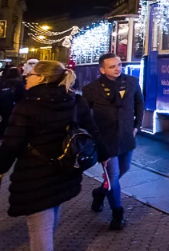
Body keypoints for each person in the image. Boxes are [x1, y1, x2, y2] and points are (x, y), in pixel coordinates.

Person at [0, 61, 107, 251]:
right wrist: (103, 155)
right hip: (65, 169)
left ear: (41, 78)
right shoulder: (75, 101)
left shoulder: (26, 106)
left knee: (40, 227)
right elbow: (93, 130)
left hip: (35, 176)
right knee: (52, 211)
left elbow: (10, 145)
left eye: (30, 74)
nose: (26, 77)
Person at [82, 53, 143, 230]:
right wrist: (93, 136)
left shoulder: (131, 82)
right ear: (102, 69)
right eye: (112, 66)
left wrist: (137, 125)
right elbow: (85, 115)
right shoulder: (91, 89)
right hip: (105, 140)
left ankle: (100, 193)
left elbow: (139, 103)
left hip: (126, 137)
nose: (117, 68)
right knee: (113, 176)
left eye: (119, 65)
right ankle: (118, 214)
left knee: (124, 169)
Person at [0, 68, 26, 137]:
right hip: (14, 105)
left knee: (4, 119)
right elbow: (22, 95)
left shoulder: (3, 81)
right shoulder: (19, 82)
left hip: (3, 104)